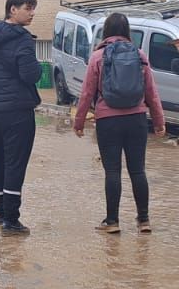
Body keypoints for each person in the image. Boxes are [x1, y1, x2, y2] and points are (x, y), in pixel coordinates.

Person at [71, 13, 165, 234]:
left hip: (108, 120)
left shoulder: (98, 57)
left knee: (112, 171)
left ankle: (112, 221)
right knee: (138, 170)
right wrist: (159, 120)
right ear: (127, 31)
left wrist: (79, 121)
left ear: (106, 32)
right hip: (137, 119)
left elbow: (86, 93)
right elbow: (151, 91)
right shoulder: (140, 55)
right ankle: (144, 221)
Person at [0, 0, 41, 236]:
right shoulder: (21, 39)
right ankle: (11, 220)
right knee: (15, 162)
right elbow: (31, 75)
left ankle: (1, 211)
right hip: (16, 110)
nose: (32, 13)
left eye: (33, 8)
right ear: (13, 9)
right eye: (28, 7)